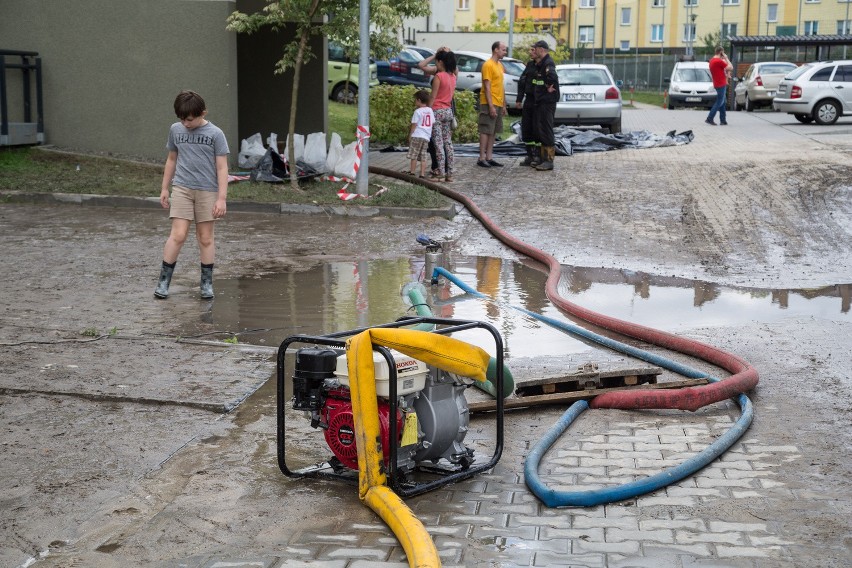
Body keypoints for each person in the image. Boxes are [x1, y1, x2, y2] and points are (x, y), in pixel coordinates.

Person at [154, 90, 230, 300]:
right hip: (182, 189)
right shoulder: (175, 130)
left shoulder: (216, 134)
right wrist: (164, 188)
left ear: (202, 112)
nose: (185, 123)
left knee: (205, 238)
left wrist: (221, 198)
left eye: (189, 119)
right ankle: (163, 282)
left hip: (208, 191)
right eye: (181, 119)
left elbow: (222, 168)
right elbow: (171, 159)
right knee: (177, 235)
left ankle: (206, 283)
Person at [418, 48, 458, 182]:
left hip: (437, 112)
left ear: (441, 62)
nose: (436, 64)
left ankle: (440, 172)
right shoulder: (453, 76)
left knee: (438, 144)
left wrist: (426, 111)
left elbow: (433, 96)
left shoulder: (439, 77)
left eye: (436, 62)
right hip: (448, 111)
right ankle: (450, 173)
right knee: (448, 143)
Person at [477, 41, 508, 168]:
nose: (505, 52)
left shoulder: (499, 65)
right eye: (503, 50)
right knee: (485, 129)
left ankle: (489, 157)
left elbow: (501, 86)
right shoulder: (487, 65)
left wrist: (504, 104)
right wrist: (490, 106)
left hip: (498, 102)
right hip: (488, 102)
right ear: (496, 50)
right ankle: (481, 157)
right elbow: (487, 87)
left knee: (493, 131)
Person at [530, 40, 560, 171]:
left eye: (535, 49)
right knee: (541, 129)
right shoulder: (541, 64)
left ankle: (549, 160)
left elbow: (552, 77)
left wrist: (548, 87)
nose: (534, 51)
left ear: (541, 49)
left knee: (546, 130)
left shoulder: (548, 63)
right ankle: (543, 158)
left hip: (547, 102)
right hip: (541, 101)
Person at [515, 45, 540, 167]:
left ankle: (538, 156)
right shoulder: (530, 65)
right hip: (529, 100)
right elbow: (522, 81)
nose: (530, 52)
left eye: (532, 50)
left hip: (539, 101)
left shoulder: (543, 65)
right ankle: (530, 155)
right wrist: (519, 99)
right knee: (527, 128)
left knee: (537, 129)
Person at [407, 90, 434, 178]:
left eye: (415, 100)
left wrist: (410, 135)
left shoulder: (417, 111)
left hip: (417, 135)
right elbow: (432, 122)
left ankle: (412, 172)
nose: (415, 101)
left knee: (414, 154)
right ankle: (422, 173)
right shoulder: (430, 110)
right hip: (426, 137)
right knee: (423, 155)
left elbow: (414, 124)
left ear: (419, 100)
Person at [706, 46, 733, 126]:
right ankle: (709, 118)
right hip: (721, 84)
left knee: (723, 102)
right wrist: (726, 58)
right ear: (721, 52)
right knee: (719, 102)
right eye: (723, 53)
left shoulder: (712, 60)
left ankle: (723, 120)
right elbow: (731, 67)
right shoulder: (718, 61)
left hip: (717, 83)